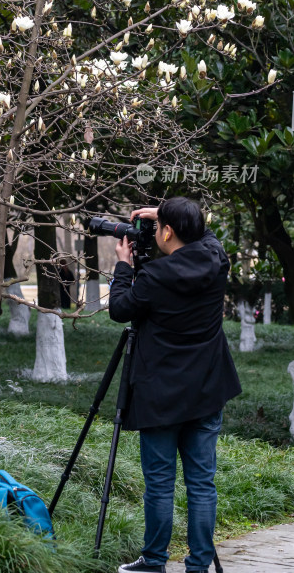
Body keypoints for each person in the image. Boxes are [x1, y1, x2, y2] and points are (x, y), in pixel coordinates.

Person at [109, 197, 241, 573]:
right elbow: (207, 237)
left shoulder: (153, 277)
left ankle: (153, 562)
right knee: (202, 484)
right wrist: (170, 217)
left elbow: (120, 309)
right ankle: (198, 566)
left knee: (161, 484)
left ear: (167, 232)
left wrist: (122, 265)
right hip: (207, 389)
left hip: (160, 396)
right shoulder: (217, 261)